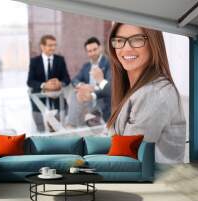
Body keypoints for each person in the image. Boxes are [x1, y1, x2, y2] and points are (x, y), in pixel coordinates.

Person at [106, 23, 186, 163]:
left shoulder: (153, 93)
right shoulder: (136, 91)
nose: (126, 48)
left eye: (137, 39)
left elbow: (127, 159)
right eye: (119, 41)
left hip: (153, 181)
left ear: (153, 44)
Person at [27, 34, 70, 132]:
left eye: (54, 45)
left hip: (57, 98)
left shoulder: (60, 60)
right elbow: (30, 81)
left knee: (57, 127)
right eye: (50, 45)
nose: (53, 48)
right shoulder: (34, 61)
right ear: (42, 46)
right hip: (39, 97)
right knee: (40, 129)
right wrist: (44, 85)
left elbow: (67, 79)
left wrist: (60, 83)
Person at [66, 37, 112, 127]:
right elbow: (75, 79)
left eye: (94, 50)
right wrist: (81, 85)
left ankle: (72, 126)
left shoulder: (109, 63)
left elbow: (110, 87)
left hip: (102, 98)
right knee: (76, 93)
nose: (92, 53)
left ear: (100, 48)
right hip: (88, 98)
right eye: (89, 51)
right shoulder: (86, 66)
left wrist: (92, 89)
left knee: (77, 97)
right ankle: (75, 126)